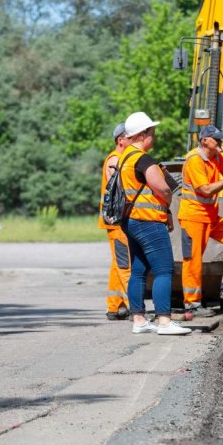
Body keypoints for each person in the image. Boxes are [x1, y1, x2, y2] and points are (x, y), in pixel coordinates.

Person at [120, 111, 191, 336]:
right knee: (164, 270)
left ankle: (139, 319)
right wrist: (168, 201)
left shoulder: (124, 158)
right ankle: (164, 321)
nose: (155, 135)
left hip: (131, 221)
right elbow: (163, 188)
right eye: (152, 132)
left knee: (139, 271)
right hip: (149, 221)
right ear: (143, 134)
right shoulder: (143, 159)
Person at [177, 124, 223, 317]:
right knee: (193, 262)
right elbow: (206, 190)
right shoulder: (194, 160)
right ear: (204, 141)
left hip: (210, 216)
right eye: (216, 139)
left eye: (220, 138)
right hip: (193, 217)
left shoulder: (215, 157)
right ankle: (191, 304)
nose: (220, 142)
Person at [99, 122, 131, 321]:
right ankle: (134, 306)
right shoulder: (115, 160)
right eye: (131, 137)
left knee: (117, 263)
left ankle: (114, 306)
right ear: (121, 140)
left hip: (116, 221)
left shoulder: (118, 159)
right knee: (125, 264)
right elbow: (121, 188)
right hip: (117, 221)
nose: (135, 140)